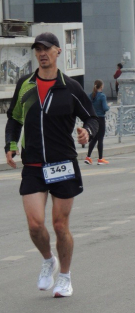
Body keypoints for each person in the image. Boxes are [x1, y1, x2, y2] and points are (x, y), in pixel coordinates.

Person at [4, 32, 98, 297]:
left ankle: (65, 277)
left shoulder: (70, 87)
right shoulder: (25, 85)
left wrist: (87, 132)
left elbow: (92, 117)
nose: (42, 53)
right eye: (38, 49)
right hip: (33, 163)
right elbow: (14, 119)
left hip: (63, 163)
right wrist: (10, 146)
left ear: (58, 52)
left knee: (59, 225)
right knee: (35, 225)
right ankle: (48, 260)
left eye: (46, 49)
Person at [85, 80, 110, 165]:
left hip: (93, 118)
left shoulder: (91, 95)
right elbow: (105, 108)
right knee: (100, 139)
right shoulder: (102, 96)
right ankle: (100, 159)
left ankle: (88, 157)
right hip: (101, 119)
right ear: (101, 86)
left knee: (94, 138)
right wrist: (109, 106)